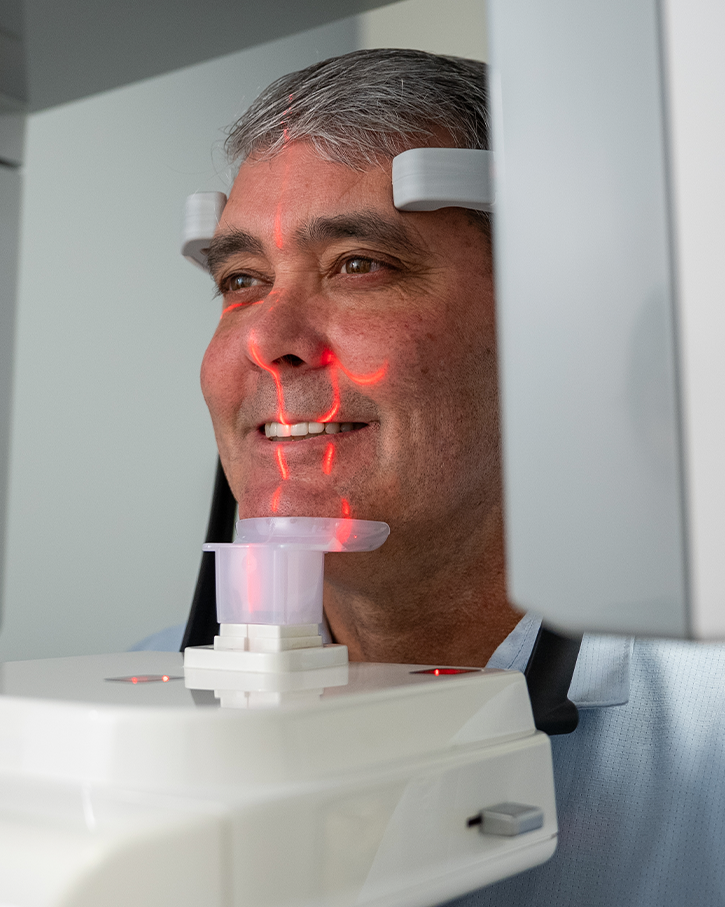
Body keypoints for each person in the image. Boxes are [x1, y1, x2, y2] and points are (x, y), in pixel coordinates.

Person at [140, 49, 725, 906]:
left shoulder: (702, 728)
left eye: (357, 264)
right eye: (241, 280)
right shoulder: (133, 702)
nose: (268, 340)